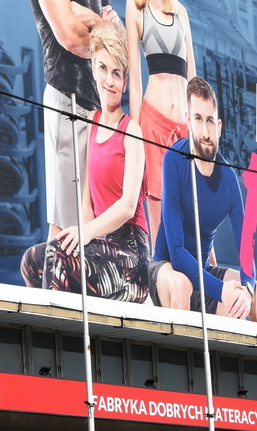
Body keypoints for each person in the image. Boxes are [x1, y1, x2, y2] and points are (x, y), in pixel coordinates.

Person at [19, 23, 157, 303]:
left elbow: (128, 206)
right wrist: (83, 241)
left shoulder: (131, 131)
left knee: (58, 256)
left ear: (125, 81)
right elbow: (86, 200)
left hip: (131, 255)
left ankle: (58, 328)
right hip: (100, 244)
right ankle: (48, 322)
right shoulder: (91, 122)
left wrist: (85, 234)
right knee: (33, 260)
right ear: (93, 69)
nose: (109, 81)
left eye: (117, 73)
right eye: (103, 68)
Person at [24, 0, 122, 239]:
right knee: (64, 227)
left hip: (97, 112)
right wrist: (101, 29)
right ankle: (47, 279)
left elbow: (117, 51)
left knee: (92, 228)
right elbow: (69, 36)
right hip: (67, 100)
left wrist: (92, 20)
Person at [152, 78, 257, 322]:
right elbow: (176, 252)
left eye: (209, 121)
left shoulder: (228, 179)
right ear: (188, 122)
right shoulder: (174, 160)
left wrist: (246, 290)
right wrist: (221, 290)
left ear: (219, 126)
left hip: (203, 277)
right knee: (182, 284)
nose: (205, 133)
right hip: (166, 270)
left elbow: (246, 250)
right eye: (198, 119)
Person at [123, 0, 196, 244]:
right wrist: (135, 136)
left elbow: (193, 78)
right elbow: (136, 82)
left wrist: (198, 126)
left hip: (184, 127)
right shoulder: (135, 7)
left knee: (195, 218)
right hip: (152, 125)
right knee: (160, 228)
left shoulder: (181, 12)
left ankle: (206, 274)